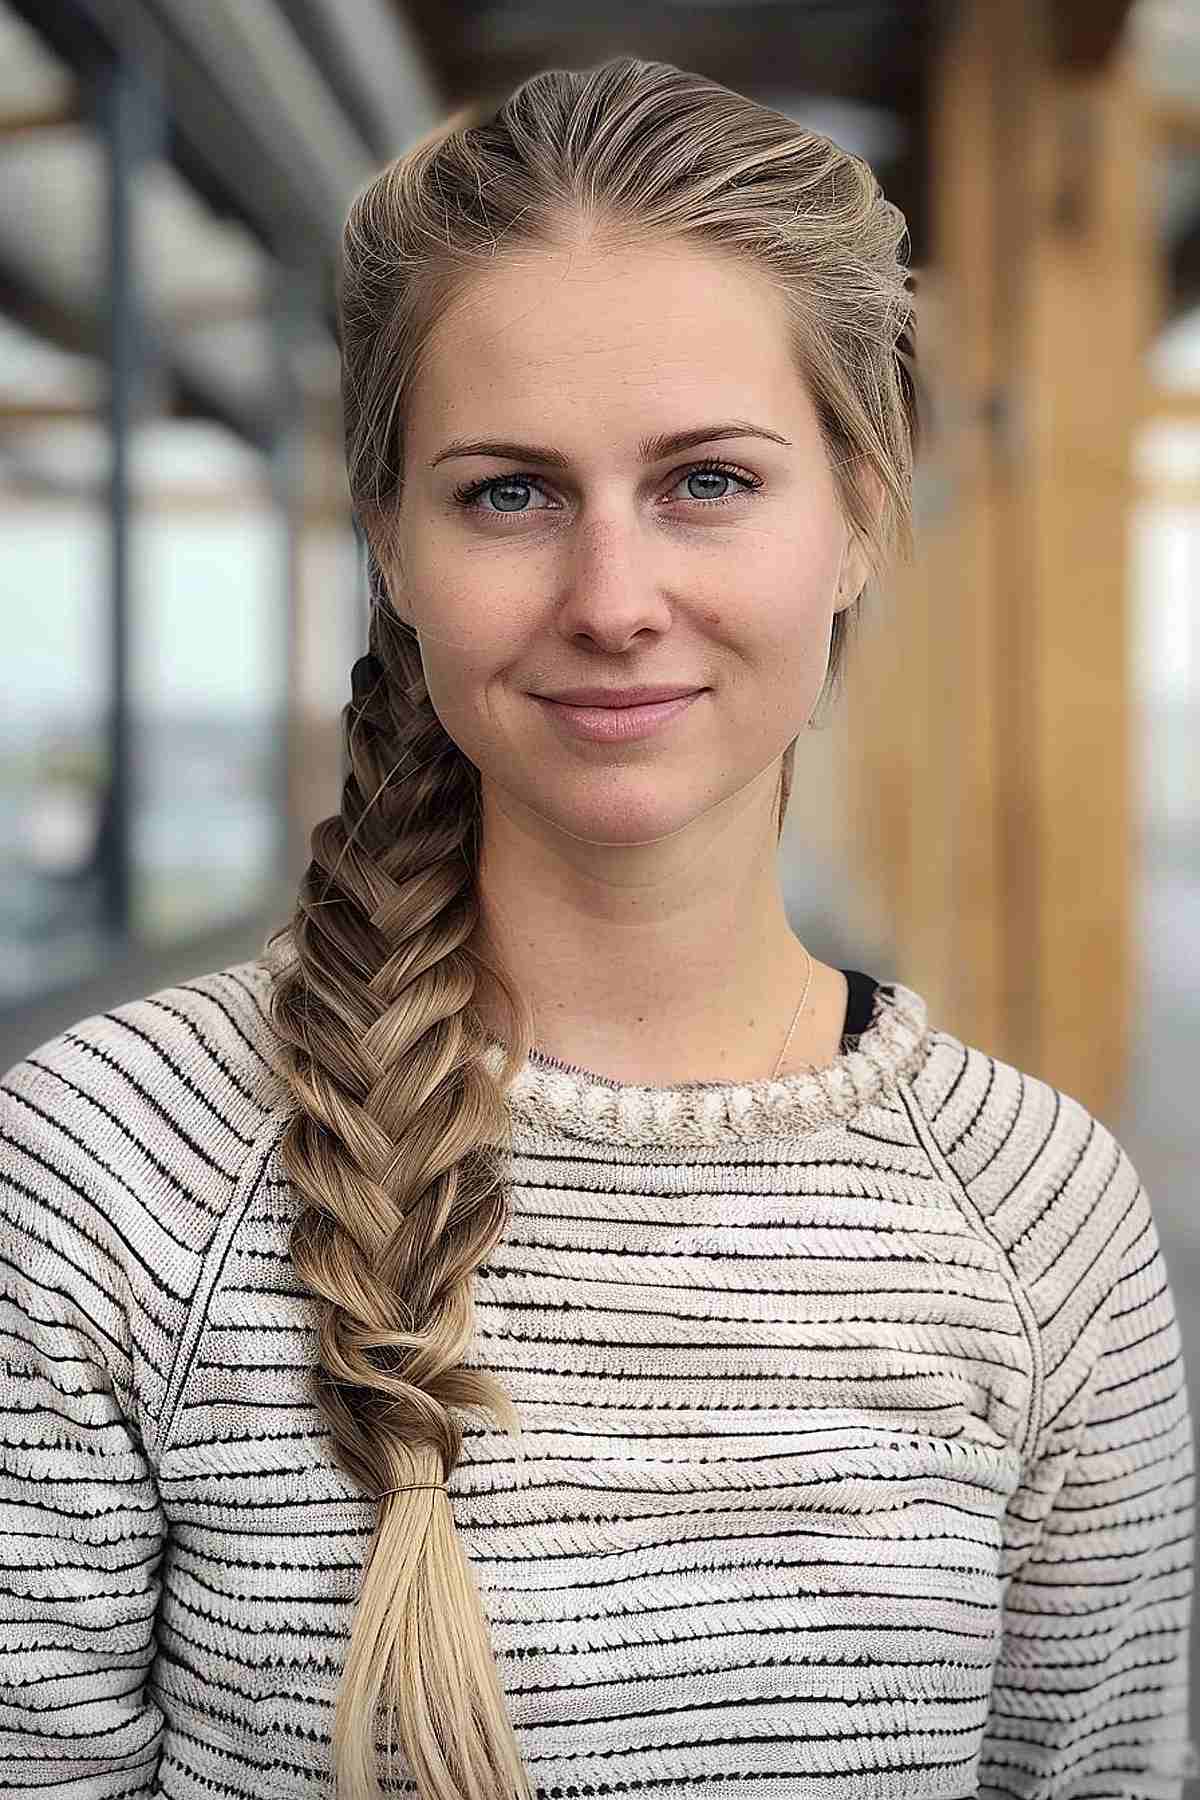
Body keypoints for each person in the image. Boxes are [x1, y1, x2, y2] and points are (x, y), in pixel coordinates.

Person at [0, 54, 1193, 1800]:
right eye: (509, 493)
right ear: (391, 549)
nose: (614, 601)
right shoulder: (112, 1166)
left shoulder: (1043, 1218)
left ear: (861, 515)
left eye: (709, 480)